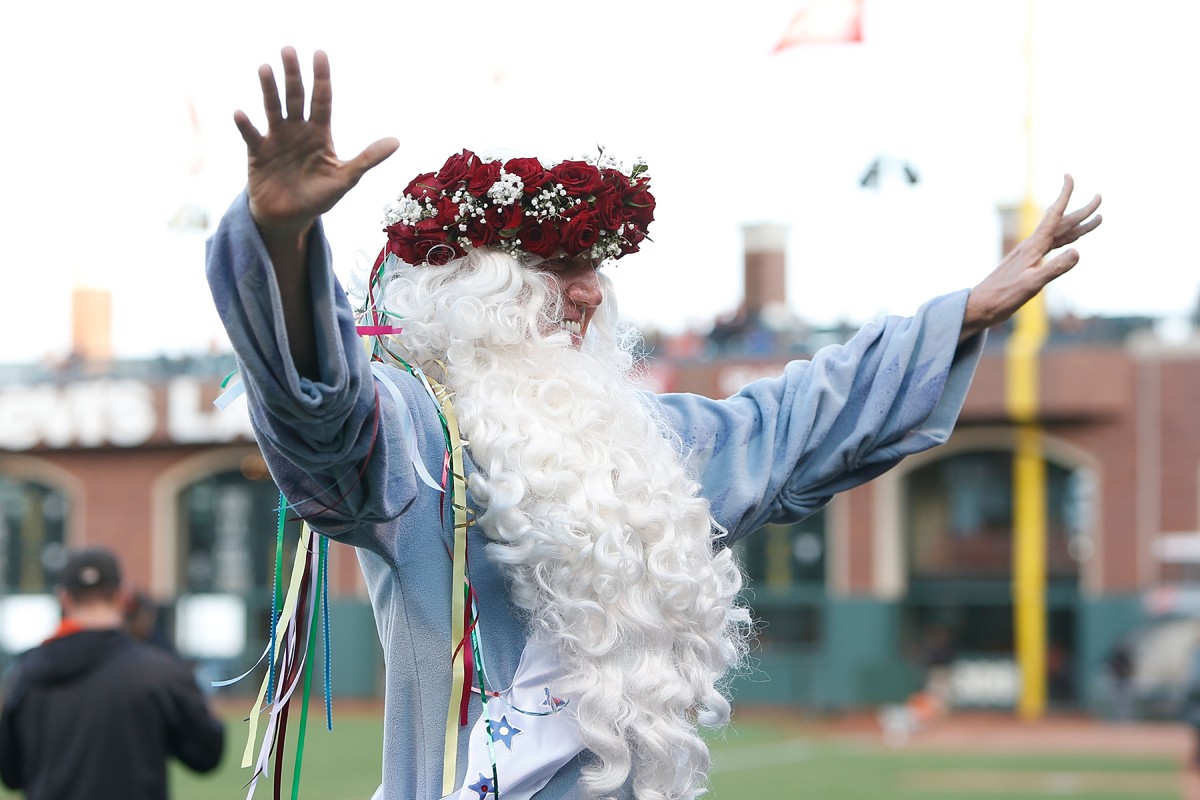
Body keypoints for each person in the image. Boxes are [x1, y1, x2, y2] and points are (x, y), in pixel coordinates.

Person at [205, 47, 1101, 800]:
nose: (590, 291)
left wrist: (968, 313)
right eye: (559, 267)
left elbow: (798, 417)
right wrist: (281, 249)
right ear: (474, 290)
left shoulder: (649, 446)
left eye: (595, 268)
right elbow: (318, 416)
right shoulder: (414, 432)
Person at [0, 548, 225, 800]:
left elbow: (11, 774)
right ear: (124, 595)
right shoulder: (158, 671)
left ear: (64, 598)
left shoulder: (25, 675)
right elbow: (207, 753)